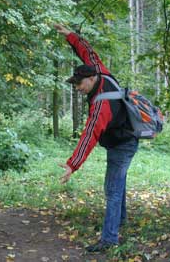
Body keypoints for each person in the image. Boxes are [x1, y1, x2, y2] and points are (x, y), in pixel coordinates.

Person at [54, 23, 139, 252]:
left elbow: (89, 135)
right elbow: (88, 52)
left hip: (124, 143)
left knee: (112, 188)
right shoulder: (100, 72)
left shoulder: (102, 104)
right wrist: (70, 36)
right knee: (117, 182)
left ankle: (109, 239)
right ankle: (120, 221)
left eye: (80, 84)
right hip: (121, 139)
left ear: (91, 79)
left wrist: (73, 164)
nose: (78, 88)